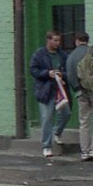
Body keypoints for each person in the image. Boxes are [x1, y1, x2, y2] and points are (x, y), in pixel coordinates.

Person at [64, 31, 93, 161]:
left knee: (84, 121)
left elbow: (70, 76)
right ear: (87, 40)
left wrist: (77, 88)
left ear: (76, 41)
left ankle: (85, 151)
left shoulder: (71, 56)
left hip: (80, 92)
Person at [28, 30, 70, 158]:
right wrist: (47, 73)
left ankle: (57, 132)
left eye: (59, 40)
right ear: (48, 40)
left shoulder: (62, 55)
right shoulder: (39, 54)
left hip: (60, 90)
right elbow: (33, 70)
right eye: (55, 40)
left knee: (66, 113)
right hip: (46, 90)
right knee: (47, 118)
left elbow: (69, 71)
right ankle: (46, 146)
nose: (57, 43)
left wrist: (62, 75)